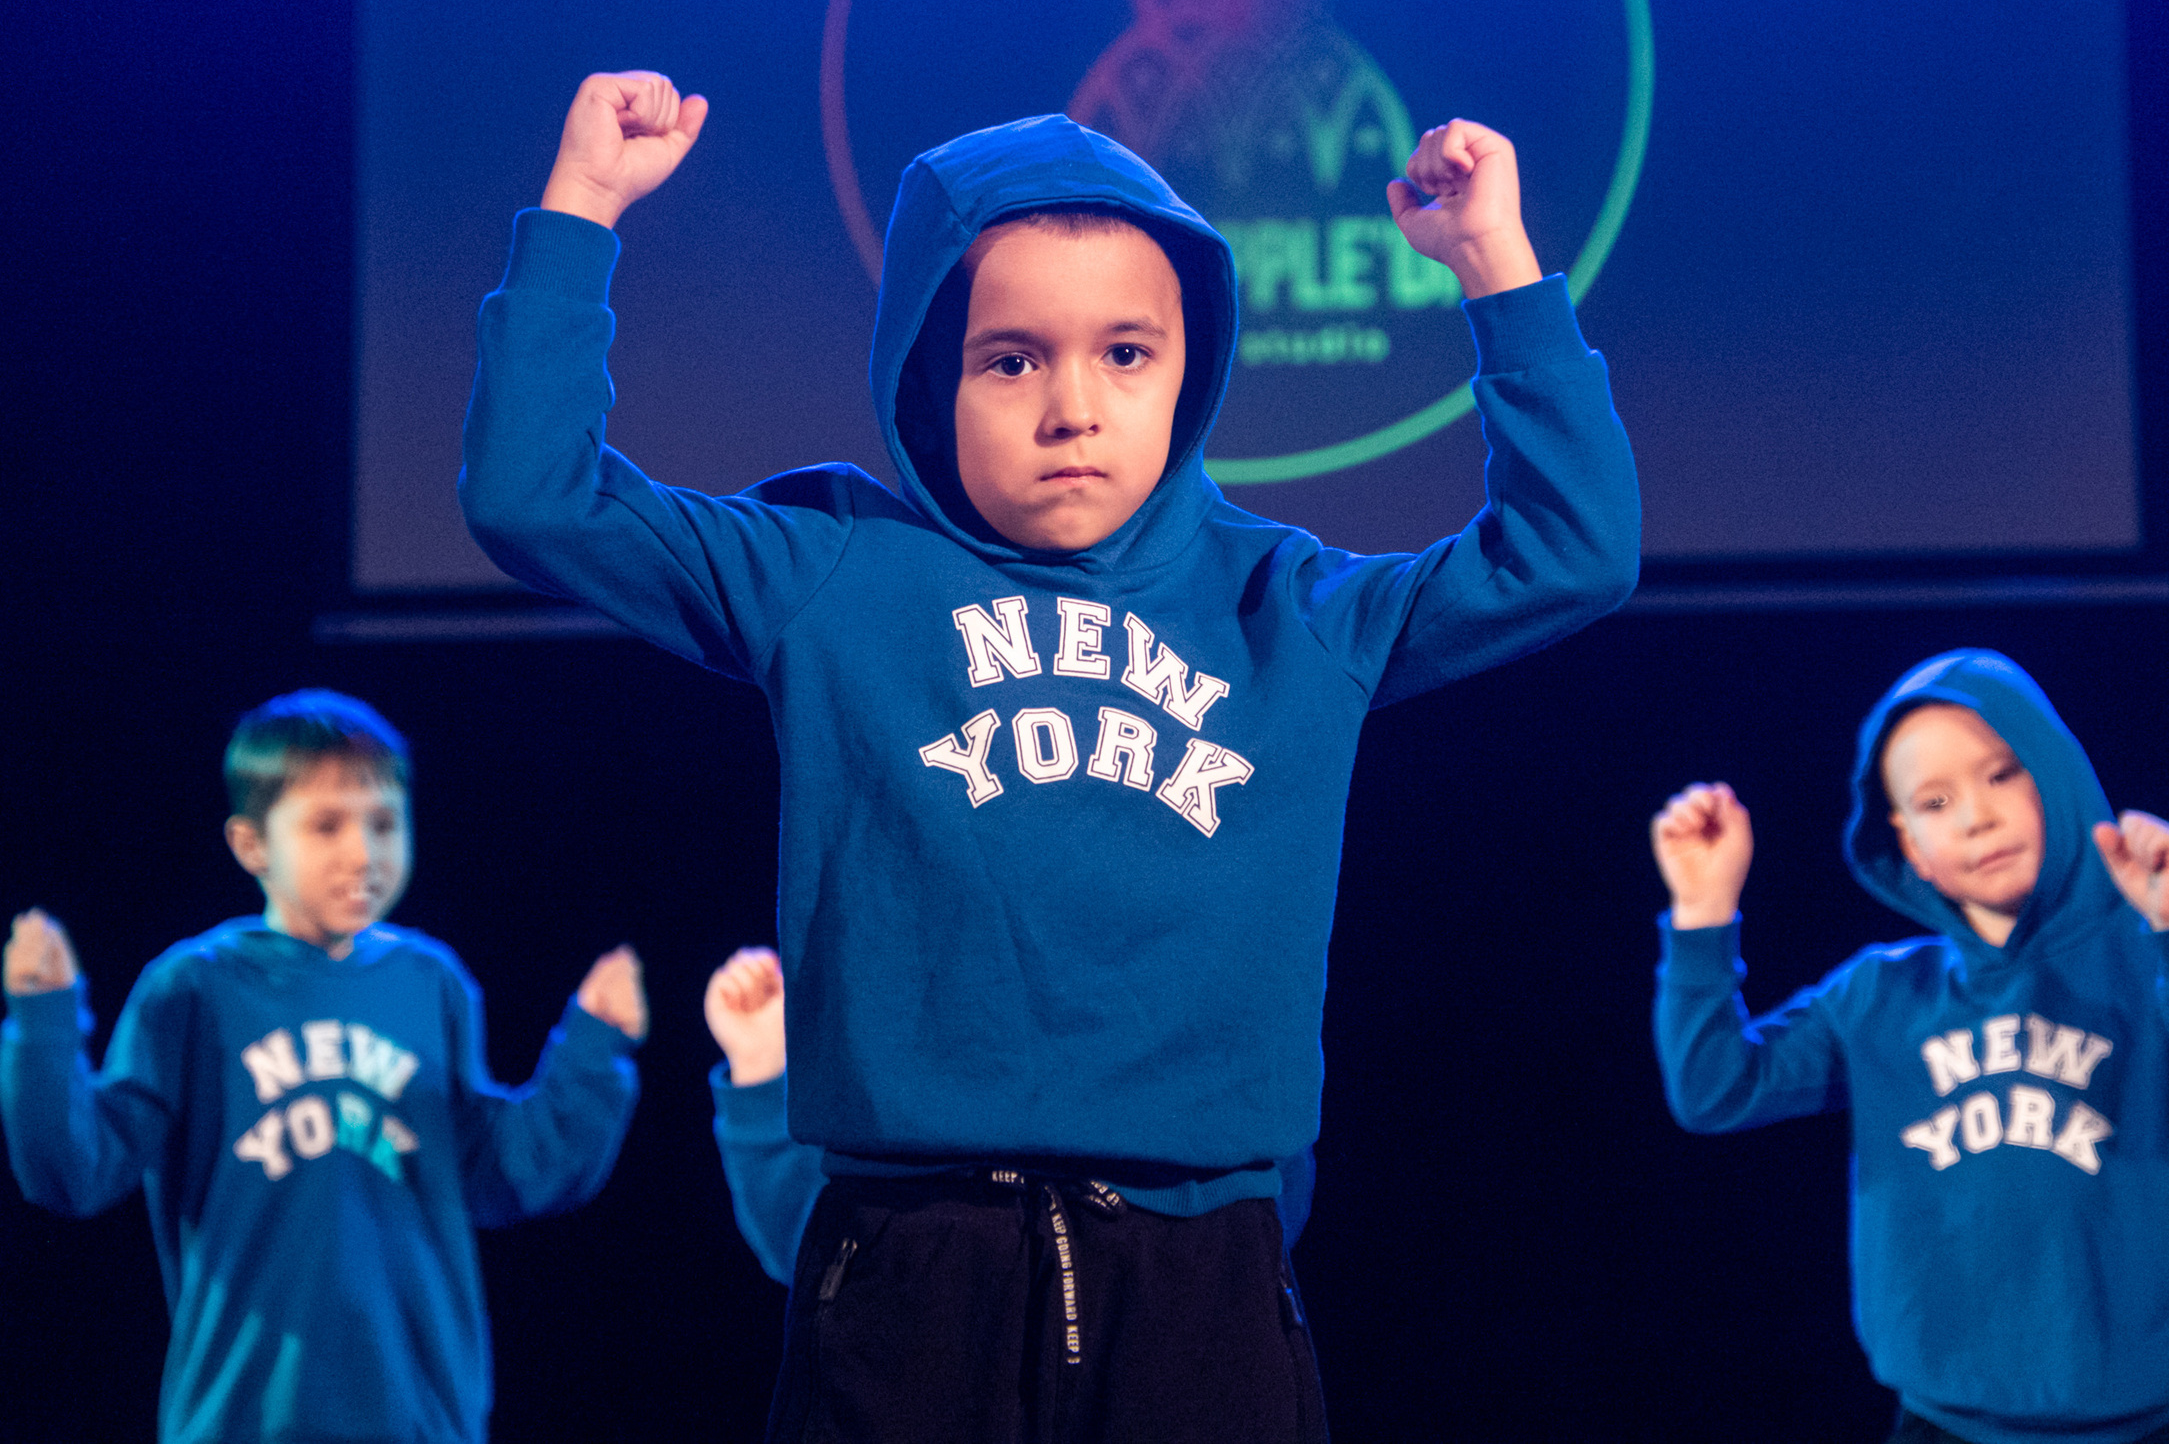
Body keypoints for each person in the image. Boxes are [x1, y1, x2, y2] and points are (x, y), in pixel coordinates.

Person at [460, 73, 1639, 1441]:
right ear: (928, 374)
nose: (1074, 405)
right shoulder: (831, 569)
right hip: (908, 1275)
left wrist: (1495, 261)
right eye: (1012, 357)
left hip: (1202, 1276)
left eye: (1126, 353)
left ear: (1188, 366)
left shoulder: (1293, 605)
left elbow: (1573, 554)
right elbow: (531, 496)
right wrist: (583, 205)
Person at [1650, 649, 2169, 1444]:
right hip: (1944, 1424)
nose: (1976, 814)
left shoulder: (2149, 962)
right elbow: (1715, 1087)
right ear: (1909, 842)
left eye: (2001, 774)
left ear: (2055, 774)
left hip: (2149, 1423)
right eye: (1936, 799)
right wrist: (1703, 911)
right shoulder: (1879, 995)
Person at [0, 689, 646, 1444]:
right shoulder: (194, 987)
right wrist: (43, 1024)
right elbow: (75, 1169)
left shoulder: (429, 981)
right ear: (251, 845)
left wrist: (593, 1047)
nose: (363, 853)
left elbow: (502, 1169)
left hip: (419, 1413)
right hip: (246, 1416)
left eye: (383, 822)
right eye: (327, 824)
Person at [701, 948, 1316, 1286]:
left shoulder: (1173, 1053)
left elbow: (1267, 1218)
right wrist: (763, 1068)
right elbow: (815, 1245)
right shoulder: (926, 1056)